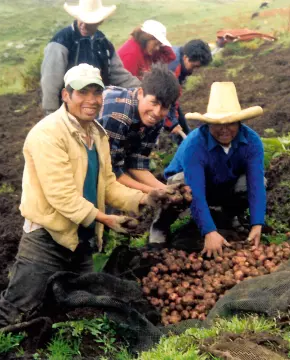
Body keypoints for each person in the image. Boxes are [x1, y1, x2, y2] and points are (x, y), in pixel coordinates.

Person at [0, 64, 182, 344]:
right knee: (14, 304)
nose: (91, 100)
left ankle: (67, 348)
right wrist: (107, 220)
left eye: (96, 93)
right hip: (47, 238)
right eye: (83, 92)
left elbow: (107, 185)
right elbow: (62, 197)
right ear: (66, 95)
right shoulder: (48, 134)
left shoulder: (97, 135)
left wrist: (145, 197)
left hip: (82, 238)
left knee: (84, 304)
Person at [156, 82, 267, 257]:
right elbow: (196, 191)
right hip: (190, 184)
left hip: (223, 183)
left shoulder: (252, 141)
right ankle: (160, 226)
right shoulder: (195, 144)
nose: (224, 130)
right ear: (207, 124)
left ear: (239, 122)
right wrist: (209, 231)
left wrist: (257, 223)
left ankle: (229, 216)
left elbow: (256, 185)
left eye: (230, 123)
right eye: (217, 124)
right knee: (181, 186)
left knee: (257, 181)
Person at [40, 0, 141, 114]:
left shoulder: (103, 43)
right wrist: (51, 113)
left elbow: (120, 75)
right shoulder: (61, 42)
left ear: (100, 22)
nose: (83, 25)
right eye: (81, 20)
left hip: (97, 109)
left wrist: (144, 90)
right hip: (68, 111)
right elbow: (50, 83)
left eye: (89, 23)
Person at [98, 66, 180, 195]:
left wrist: (167, 190)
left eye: (164, 107)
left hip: (110, 160)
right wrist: (152, 191)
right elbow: (111, 172)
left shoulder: (155, 118)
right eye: (153, 103)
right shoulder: (118, 115)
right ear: (141, 93)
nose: (157, 112)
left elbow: (136, 162)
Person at [167, 39, 213, 143]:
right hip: (149, 96)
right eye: (194, 66)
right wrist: (172, 123)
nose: (194, 71)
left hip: (165, 96)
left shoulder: (182, 54)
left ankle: (188, 141)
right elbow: (164, 99)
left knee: (182, 126)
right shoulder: (173, 68)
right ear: (186, 58)